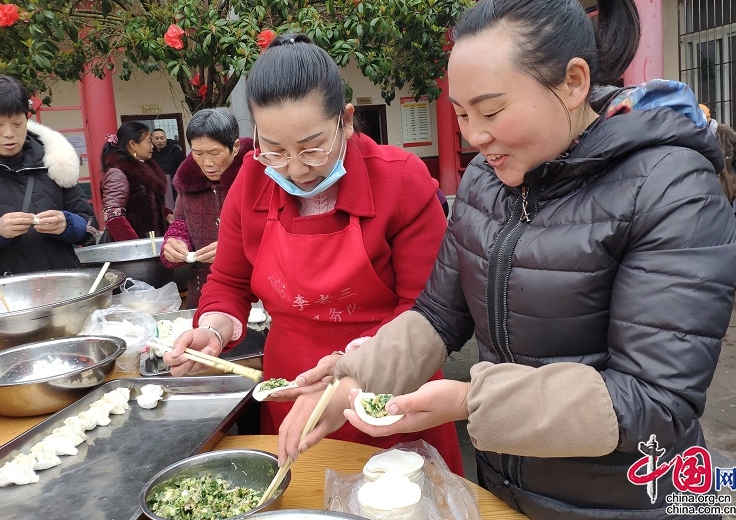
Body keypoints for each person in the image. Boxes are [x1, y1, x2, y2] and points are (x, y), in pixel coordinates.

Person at [278, 0, 736, 520]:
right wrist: (353, 378)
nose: (476, 136)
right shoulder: (485, 183)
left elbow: (655, 402)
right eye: (462, 115)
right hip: (505, 493)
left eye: (492, 112)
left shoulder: (671, 190)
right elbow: (438, 316)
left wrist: (471, 401)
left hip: (635, 505)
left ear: (573, 83)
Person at [163, 33, 463, 474]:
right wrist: (214, 329)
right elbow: (228, 281)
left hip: (391, 391)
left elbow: (427, 311)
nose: (296, 169)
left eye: (312, 147)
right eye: (275, 150)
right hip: (292, 391)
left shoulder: (401, 182)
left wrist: (355, 373)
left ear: (345, 120)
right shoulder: (252, 179)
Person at [0, 74, 96, 281]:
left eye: (17, 123)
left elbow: (89, 225)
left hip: (61, 285)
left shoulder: (55, 160)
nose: (9, 133)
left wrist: (67, 224)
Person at [159, 108, 253, 307]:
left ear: (235, 147)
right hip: (203, 291)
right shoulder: (187, 182)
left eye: (214, 153)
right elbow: (180, 223)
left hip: (253, 295)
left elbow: (276, 238)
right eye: (198, 153)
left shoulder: (258, 178)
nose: (206, 162)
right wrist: (176, 242)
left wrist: (233, 252)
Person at [100, 121, 172, 241]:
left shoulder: (146, 168)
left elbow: (144, 203)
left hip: (152, 244)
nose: (152, 146)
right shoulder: (117, 173)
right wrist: (135, 246)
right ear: (133, 144)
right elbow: (114, 217)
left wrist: (165, 214)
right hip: (134, 252)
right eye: (149, 141)